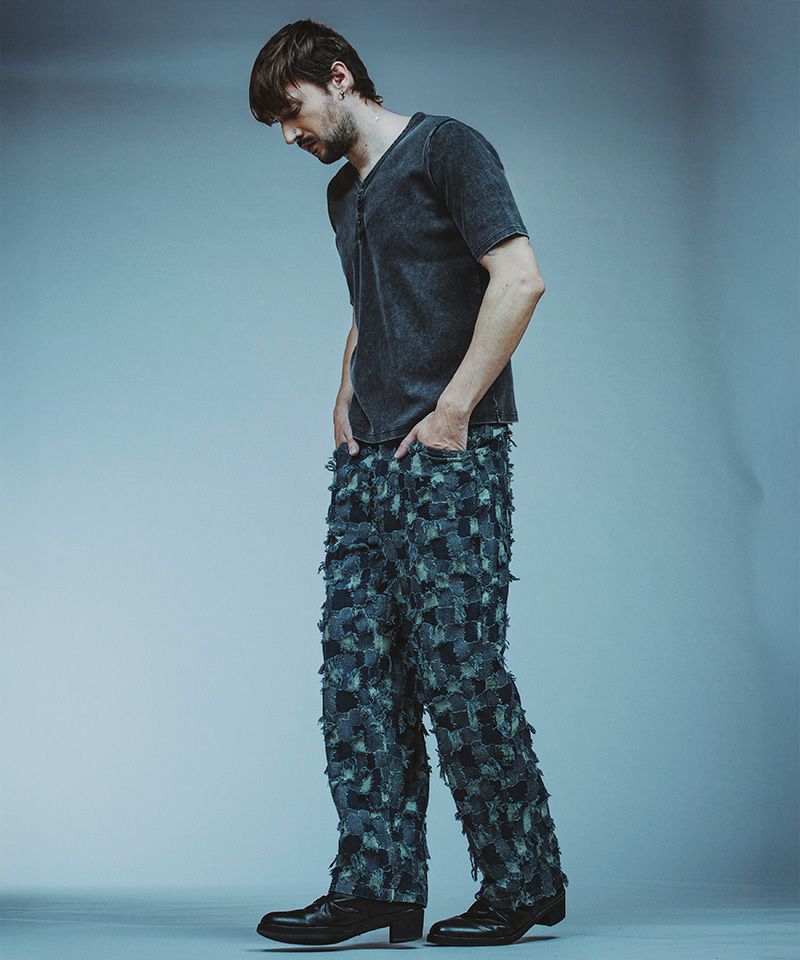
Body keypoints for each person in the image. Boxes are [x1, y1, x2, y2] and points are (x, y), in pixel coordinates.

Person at [248, 18, 569, 948]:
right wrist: (344, 389)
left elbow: (519, 279)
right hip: (367, 463)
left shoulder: (447, 149)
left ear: (339, 78)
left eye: (292, 111)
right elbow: (371, 303)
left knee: (459, 670)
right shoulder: (342, 196)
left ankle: (523, 882)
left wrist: (454, 411)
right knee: (358, 677)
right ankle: (378, 887)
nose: (289, 135)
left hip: (449, 456)